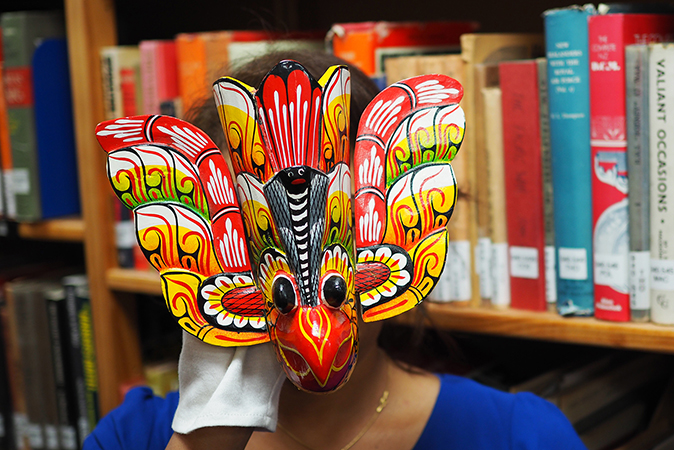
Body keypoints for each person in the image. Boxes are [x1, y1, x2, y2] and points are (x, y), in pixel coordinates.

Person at [84, 50, 586, 450]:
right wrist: (207, 440)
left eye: (340, 239)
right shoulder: (133, 439)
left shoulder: (521, 437)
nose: (315, 317)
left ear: (403, 219)